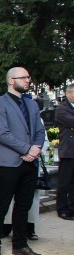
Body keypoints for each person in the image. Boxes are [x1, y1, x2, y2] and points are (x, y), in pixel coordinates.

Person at [0, 67, 46, 255]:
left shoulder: (32, 104)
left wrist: (36, 148)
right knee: (1, 205)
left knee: (23, 205)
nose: (28, 80)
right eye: (24, 77)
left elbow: (39, 130)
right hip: (9, 163)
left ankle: (20, 244)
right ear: (12, 80)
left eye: (29, 77)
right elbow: (3, 134)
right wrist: (27, 149)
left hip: (30, 162)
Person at [55, 83, 74, 221]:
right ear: (68, 93)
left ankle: (72, 207)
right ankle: (62, 209)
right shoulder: (62, 109)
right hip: (68, 150)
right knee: (64, 182)